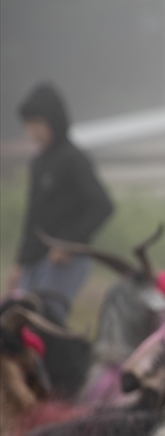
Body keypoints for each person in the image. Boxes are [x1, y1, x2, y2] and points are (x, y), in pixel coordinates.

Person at [6, 83, 113, 323]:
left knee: (47, 320)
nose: (32, 131)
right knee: (18, 320)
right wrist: (19, 263)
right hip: (34, 259)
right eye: (28, 124)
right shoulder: (38, 163)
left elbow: (102, 206)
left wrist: (69, 243)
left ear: (54, 121)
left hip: (65, 260)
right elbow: (33, 216)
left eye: (37, 124)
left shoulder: (74, 159)